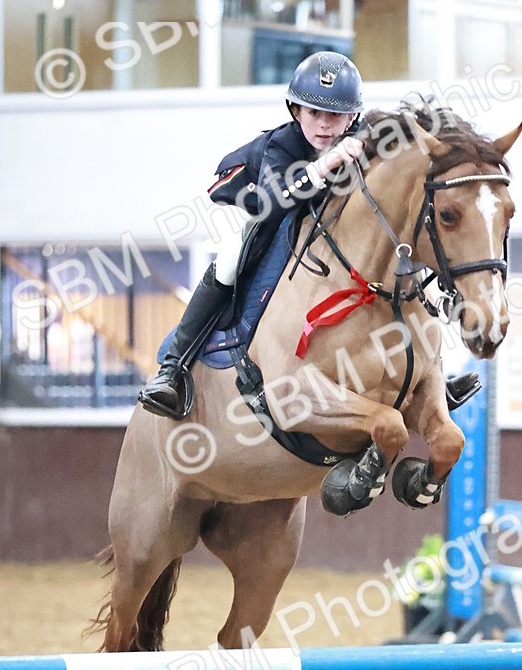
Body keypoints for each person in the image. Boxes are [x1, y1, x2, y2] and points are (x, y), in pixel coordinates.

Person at [139, 50, 365, 418]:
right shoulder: (283, 145)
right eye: (314, 113)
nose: (324, 125)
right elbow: (271, 206)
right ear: (296, 112)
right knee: (230, 260)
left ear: (352, 116)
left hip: (299, 213)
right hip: (244, 203)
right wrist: (322, 167)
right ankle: (172, 369)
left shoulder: (361, 138)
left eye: (336, 115)